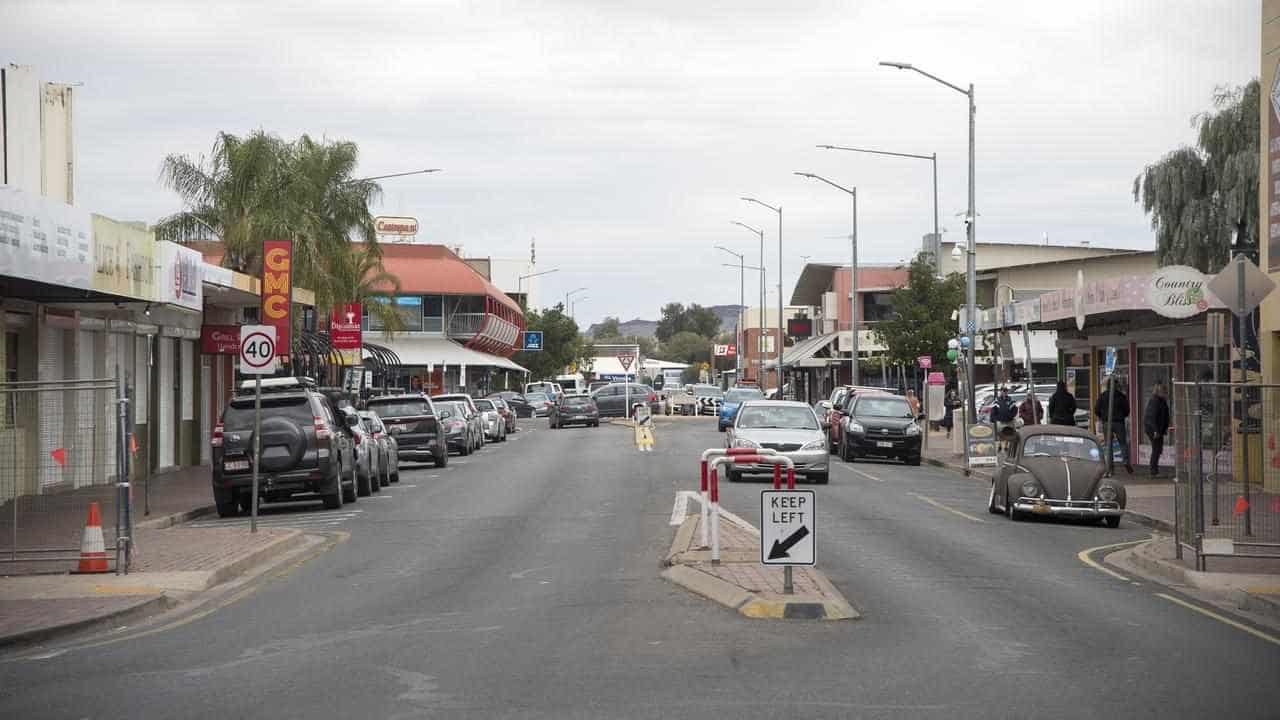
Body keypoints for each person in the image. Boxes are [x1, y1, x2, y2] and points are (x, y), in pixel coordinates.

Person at [1095, 380, 1133, 474]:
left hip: (1107, 423)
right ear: (1116, 386)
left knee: (1109, 446)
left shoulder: (1102, 396)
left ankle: (1110, 468)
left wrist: (1102, 417)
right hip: (1119, 422)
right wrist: (1121, 416)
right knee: (1123, 443)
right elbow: (1127, 410)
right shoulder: (1121, 396)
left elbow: (1096, 409)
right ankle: (1125, 461)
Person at [1143, 382, 1171, 477]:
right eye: (1165, 392)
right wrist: (1155, 430)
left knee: (1158, 449)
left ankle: (1154, 470)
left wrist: (1165, 427)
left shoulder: (1161, 401)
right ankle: (1153, 472)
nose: (1167, 394)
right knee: (1156, 449)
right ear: (1159, 392)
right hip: (1153, 429)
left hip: (1158, 428)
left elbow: (1164, 415)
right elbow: (1151, 417)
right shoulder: (1155, 401)